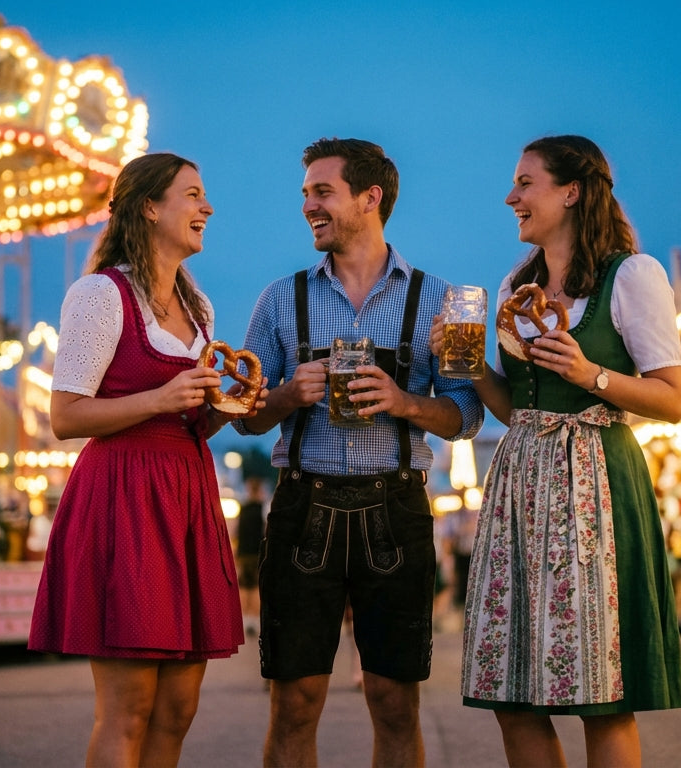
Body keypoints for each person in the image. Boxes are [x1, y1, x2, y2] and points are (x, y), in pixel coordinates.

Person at [237, 137, 484, 767]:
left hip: (394, 510)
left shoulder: (439, 298)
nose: (308, 207)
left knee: (394, 702)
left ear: (369, 198)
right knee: (293, 702)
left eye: (323, 192)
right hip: (304, 509)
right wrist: (288, 393)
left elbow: (466, 415)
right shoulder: (279, 299)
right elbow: (242, 419)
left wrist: (405, 403)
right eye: (305, 195)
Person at [450, 135, 681, 768]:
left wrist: (592, 376)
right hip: (520, 482)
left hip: (597, 485)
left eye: (526, 183)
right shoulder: (514, 283)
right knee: (512, 691)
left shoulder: (631, 276)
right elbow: (514, 407)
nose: (512, 197)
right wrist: (472, 368)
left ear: (572, 191)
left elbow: (672, 398)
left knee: (602, 695)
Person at [28, 152, 255, 768]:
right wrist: (157, 398)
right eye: (193, 194)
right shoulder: (101, 295)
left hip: (185, 493)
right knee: (128, 708)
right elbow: (66, 417)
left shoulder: (199, 308)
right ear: (150, 207)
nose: (206, 207)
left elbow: (192, 420)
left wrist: (228, 408)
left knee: (179, 709)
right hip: (125, 497)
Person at [236, 476, 267, 637]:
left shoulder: (243, 508)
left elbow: (238, 532)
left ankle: (245, 619)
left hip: (244, 553)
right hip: (258, 553)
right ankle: (254, 621)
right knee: (256, 587)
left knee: (244, 587)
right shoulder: (263, 508)